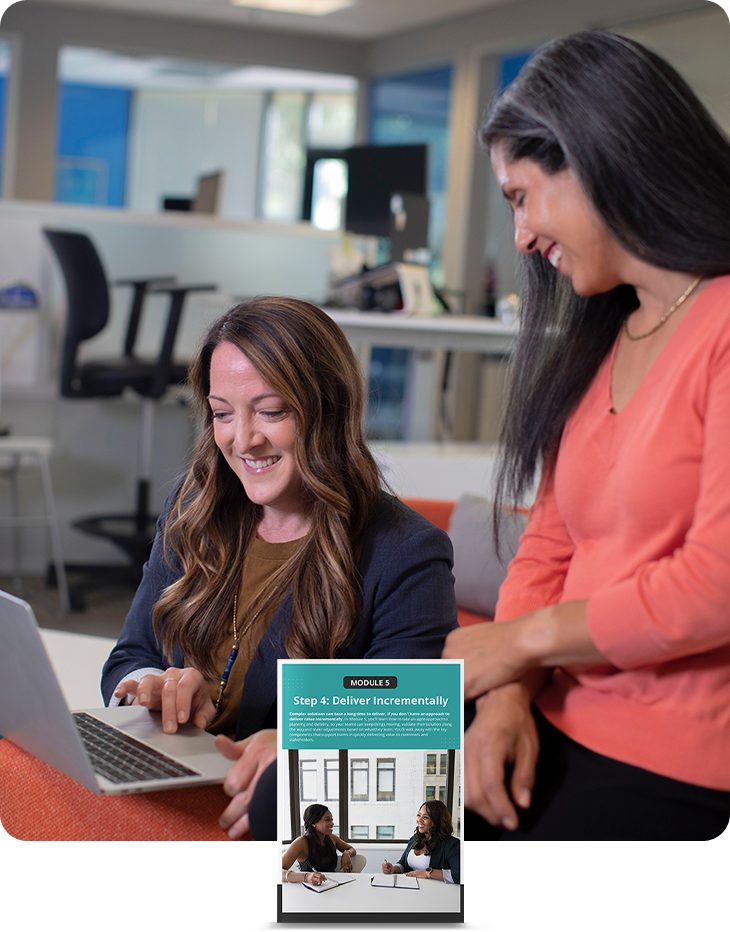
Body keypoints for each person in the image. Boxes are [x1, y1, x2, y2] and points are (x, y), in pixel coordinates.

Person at [443, 30, 730, 840]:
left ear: (595, 157)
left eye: (521, 196)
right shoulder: (608, 333)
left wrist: (517, 644)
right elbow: (547, 548)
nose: (521, 236)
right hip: (546, 707)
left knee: (355, 856)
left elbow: (716, 582)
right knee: (294, 795)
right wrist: (504, 699)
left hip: (667, 753)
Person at [101, 297, 458, 840]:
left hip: (279, 819)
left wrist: (298, 744)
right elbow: (130, 656)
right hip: (165, 786)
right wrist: (148, 689)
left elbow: (411, 718)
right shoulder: (193, 507)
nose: (242, 439)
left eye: (271, 412)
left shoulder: (405, 551)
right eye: (223, 413)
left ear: (328, 410)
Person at [382, 801, 460, 882]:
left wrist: (428, 873)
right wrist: (393, 869)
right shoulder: (414, 839)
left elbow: (459, 874)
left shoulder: (452, 844)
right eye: (419, 815)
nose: (419, 820)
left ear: (437, 820)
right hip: (410, 885)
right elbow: (402, 864)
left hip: (432, 889)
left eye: (425, 817)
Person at [282, 804, 356, 882]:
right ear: (314, 823)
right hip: (309, 887)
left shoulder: (332, 838)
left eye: (332, 819)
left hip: (332, 884)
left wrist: (347, 853)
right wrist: (306, 877)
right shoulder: (301, 842)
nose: (332, 823)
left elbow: (351, 849)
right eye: (327, 820)